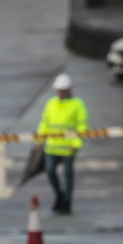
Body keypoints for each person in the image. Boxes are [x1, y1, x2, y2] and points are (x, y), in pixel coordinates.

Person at [37, 73, 89, 215]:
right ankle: (60, 196)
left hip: (68, 148)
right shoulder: (51, 103)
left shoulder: (77, 104)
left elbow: (82, 126)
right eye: (59, 90)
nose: (60, 92)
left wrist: (76, 144)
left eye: (63, 90)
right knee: (50, 172)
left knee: (68, 176)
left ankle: (66, 202)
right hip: (52, 147)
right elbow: (44, 123)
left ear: (69, 89)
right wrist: (40, 140)